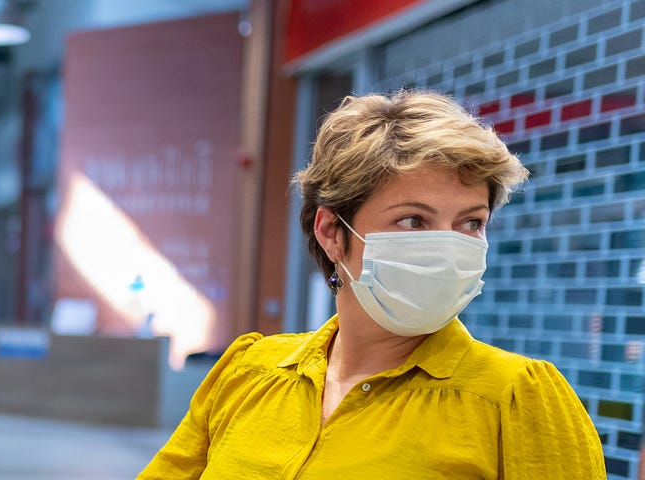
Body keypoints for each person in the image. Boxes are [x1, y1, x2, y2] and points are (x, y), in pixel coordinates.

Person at [139, 90, 605, 478]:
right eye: (413, 220)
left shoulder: (516, 398)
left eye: (470, 223)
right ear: (331, 233)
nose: (447, 246)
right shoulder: (250, 372)